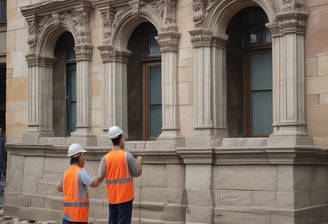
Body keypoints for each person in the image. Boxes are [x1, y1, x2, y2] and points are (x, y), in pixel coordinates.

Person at [94, 125, 142, 224]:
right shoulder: (126, 155)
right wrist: (139, 161)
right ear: (121, 140)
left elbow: (99, 177)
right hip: (125, 197)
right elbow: (137, 172)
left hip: (112, 198)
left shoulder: (105, 158)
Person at [56, 143, 99, 224]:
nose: (84, 158)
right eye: (83, 155)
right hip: (78, 217)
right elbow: (93, 184)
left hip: (67, 216)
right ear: (78, 157)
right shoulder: (81, 172)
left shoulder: (66, 173)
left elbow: (59, 187)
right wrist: (100, 177)